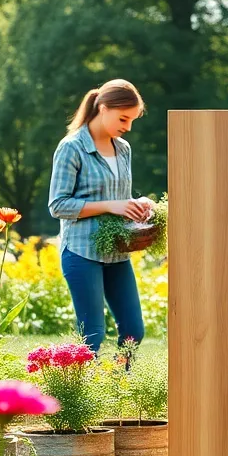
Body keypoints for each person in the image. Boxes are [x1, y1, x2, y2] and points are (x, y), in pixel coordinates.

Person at [48, 78, 154, 352]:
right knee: (92, 336)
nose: (127, 127)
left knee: (133, 332)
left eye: (131, 120)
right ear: (103, 108)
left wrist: (137, 204)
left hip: (117, 252)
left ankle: (119, 384)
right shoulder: (71, 148)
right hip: (82, 252)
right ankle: (87, 393)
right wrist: (110, 205)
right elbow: (58, 205)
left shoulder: (123, 149)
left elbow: (120, 199)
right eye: (123, 118)